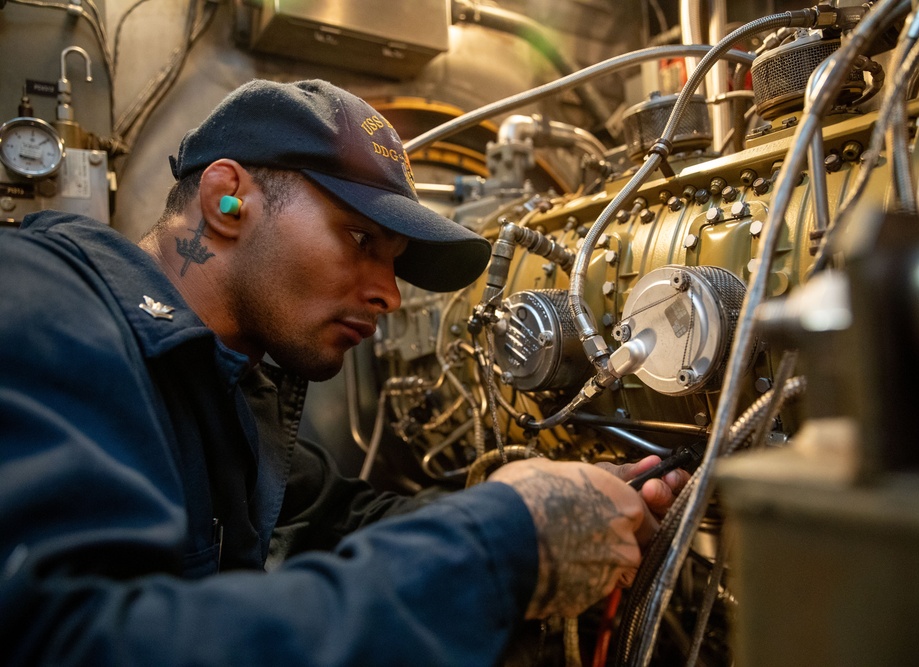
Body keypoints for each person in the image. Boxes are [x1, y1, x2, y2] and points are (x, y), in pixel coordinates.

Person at [0, 79, 688, 665]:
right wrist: (502, 543)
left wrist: (550, 498)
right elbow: (71, 641)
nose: (390, 293)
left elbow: (337, 518)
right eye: (362, 240)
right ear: (226, 201)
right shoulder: (41, 301)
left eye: (393, 260)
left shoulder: (228, 389)